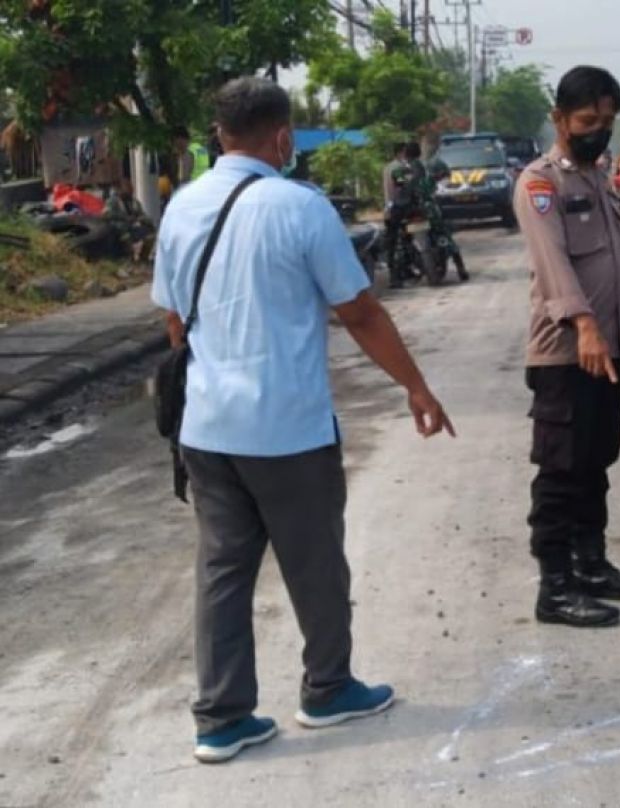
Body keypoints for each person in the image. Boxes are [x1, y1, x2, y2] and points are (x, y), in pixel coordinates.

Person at [152, 77, 454, 764]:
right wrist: (416, 387)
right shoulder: (300, 207)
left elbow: (174, 320)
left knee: (223, 570)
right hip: (286, 428)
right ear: (283, 137)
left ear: (220, 134)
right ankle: (328, 689)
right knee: (315, 563)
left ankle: (222, 719)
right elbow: (360, 312)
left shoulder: (181, 208)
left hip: (205, 430)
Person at [514, 66, 620, 629]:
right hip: (564, 353)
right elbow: (554, 267)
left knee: (597, 461)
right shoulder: (540, 183)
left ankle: (592, 567)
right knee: (561, 470)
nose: (598, 130)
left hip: (607, 348)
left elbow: (612, 266)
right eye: (587, 121)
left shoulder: (598, 178)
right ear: (559, 119)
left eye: (607, 121)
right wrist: (588, 328)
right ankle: (555, 588)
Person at [382, 142, 420, 287]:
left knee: (394, 241)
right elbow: (401, 184)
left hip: (391, 207)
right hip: (400, 207)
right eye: (405, 152)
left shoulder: (388, 167)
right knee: (401, 240)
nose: (407, 155)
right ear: (400, 153)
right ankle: (397, 275)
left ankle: (400, 273)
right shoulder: (399, 168)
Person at [104, 176, 155, 262]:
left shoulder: (134, 202)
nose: (130, 190)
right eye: (127, 187)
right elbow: (107, 214)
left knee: (149, 231)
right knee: (124, 233)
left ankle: (143, 257)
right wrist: (124, 218)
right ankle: (129, 256)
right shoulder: (112, 201)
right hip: (119, 229)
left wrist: (143, 220)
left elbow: (141, 214)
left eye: (130, 187)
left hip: (133, 227)